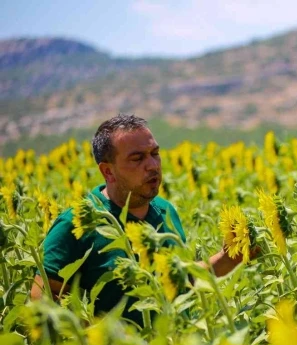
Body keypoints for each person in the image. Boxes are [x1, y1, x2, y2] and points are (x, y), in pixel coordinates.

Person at [30, 114, 247, 326]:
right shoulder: (77, 223)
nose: (153, 165)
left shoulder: (165, 211)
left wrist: (226, 259)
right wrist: (99, 339)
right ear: (108, 171)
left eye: (155, 153)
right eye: (137, 158)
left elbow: (179, 281)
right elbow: (42, 298)